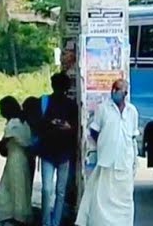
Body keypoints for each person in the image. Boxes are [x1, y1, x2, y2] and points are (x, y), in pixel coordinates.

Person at [75, 79, 139, 226]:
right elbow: (94, 131)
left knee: (125, 200)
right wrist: (106, 144)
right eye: (113, 89)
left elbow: (133, 136)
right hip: (106, 162)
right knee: (102, 199)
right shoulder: (103, 109)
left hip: (125, 163)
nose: (114, 92)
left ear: (125, 93)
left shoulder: (132, 112)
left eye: (118, 89)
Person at [0, 96, 35, 225]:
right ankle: (14, 217)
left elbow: (3, 144)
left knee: (13, 189)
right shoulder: (23, 122)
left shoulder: (13, 124)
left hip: (15, 161)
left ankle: (16, 217)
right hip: (22, 160)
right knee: (16, 188)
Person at [36, 72, 77, 226]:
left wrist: (66, 127)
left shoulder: (48, 102)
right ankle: (48, 222)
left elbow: (74, 129)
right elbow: (39, 125)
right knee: (54, 191)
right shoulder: (46, 101)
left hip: (60, 153)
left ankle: (53, 222)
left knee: (52, 190)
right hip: (51, 152)